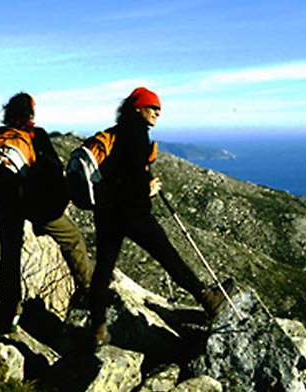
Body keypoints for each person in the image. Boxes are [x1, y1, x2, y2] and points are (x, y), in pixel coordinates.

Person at [0, 92, 94, 335]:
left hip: (6, 202)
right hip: (35, 203)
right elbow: (53, 169)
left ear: (8, 112)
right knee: (72, 238)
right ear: (31, 113)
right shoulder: (36, 134)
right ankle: (88, 289)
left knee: (9, 256)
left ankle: (11, 309)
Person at [88, 87, 229, 347]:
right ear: (138, 108)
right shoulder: (137, 132)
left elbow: (120, 173)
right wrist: (148, 188)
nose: (157, 113)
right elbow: (131, 178)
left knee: (103, 268)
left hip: (107, 212)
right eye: (153, 108)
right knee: (168, 256)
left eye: (159, 110)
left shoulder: (116, 132)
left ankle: (97, 326)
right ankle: (208, 298)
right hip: (132, 213)